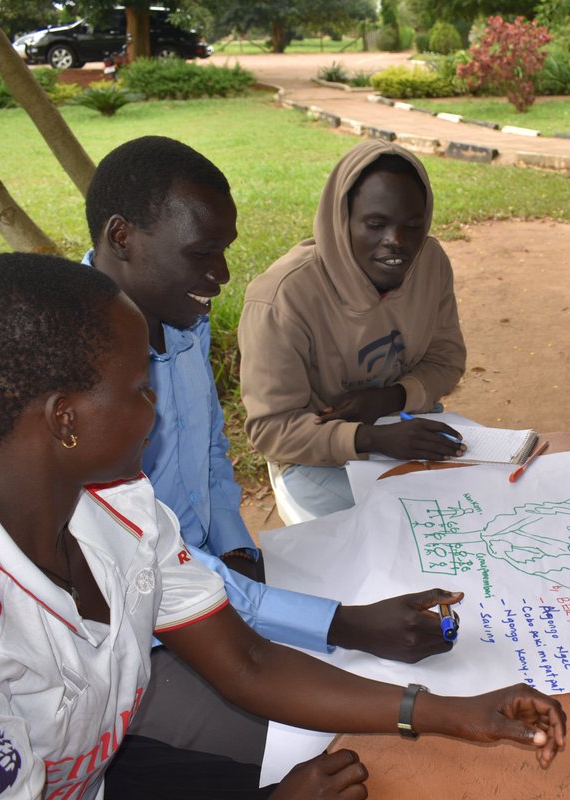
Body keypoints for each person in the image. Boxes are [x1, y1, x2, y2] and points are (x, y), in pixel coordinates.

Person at [0, 254, 566, 799]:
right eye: (141, 390)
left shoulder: (119, 504)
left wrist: (449, 711)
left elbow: (245, 662)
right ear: (64, 420)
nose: (155, 413)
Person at [83, 136, 467, 791]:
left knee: (362, 664)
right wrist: (339, 624)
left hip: (206, 582)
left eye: (223, 251)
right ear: (124, 238)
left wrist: (237, 552)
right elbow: (147, 556)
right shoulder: (81, 371)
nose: (224, 277)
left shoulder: (179, 318)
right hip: (139, 637)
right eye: (203, 254)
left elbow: (208, 456)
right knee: (341, 739)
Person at [239, 141, 467, 518]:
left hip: (405, 427)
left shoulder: (431, 264)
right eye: (375, 224)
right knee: (379, 548)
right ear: (341, 219)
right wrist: (371, 437)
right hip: (316, 456)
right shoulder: (281, 297)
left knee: (467, 523)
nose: (397, 241)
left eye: (412, 226)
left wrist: (391, 399)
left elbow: (446, 359)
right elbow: (271, 429)